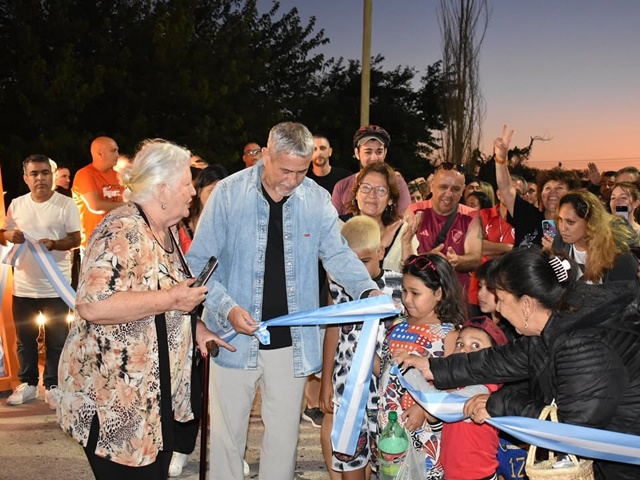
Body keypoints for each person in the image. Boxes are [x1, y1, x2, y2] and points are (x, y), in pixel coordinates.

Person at [186, 122, 382, 480]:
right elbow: (198, 267)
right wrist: (226, 308)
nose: (293, 180)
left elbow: (337, 255)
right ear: (265, 155)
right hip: (232, 341)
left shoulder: (315, 198)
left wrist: (367, 291)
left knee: (283, 439)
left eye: (302, 170)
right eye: (285, 170)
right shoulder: (228, 193)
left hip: (291, 343)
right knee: (227, 441)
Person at [57, 139, 234, 480]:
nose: (192, 193)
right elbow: (92, 306)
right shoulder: (122, 228)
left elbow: (165, 296)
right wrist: (171, 299)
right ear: (163, 189)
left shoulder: (166, 229)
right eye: (186, 184)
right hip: (114, 401)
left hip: (151, 401)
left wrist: (196, 329)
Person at [396, 247, 640, 480]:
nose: (498, 308)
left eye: (500, 299)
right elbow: (502, 359)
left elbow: (569, 429)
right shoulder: (556, 320)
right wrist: (434, 367)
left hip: (624, 458)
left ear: (526, 304)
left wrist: (498, 403)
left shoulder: (582, 343)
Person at [321, 215, 403, 480]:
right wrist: (325, 382)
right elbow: (332, 332)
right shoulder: (338, 287)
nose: (356, 270)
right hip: (347, 390)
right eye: (350, 263)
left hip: (385, 392)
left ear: (381, 251)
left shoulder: (399, 286)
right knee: (350, 456)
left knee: (388, 463)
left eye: (364, 262)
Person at [1, 154, 81, 408]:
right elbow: (4, 234)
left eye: (45, 173)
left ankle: (54, 386)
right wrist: (7, 234)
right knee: (25, 340)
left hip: (56, 285)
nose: (40, 178)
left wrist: (54, 244)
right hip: (24, 286)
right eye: (34, 174)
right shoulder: (17, 204)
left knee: (57, 339)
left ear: (52, 175)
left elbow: (75, 239)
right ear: (26, 178)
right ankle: (28, 384)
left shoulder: (65, 204)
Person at [378, 253, 466, 479]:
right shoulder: (397, 325)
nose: (407, 299)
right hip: (389, 422)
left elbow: (453, 384)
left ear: (439, 293)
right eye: (404, 291)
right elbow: (386, 372)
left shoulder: (449, 333)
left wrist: (424, 409)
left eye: (415, 293)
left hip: (424, 427)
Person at [439, 316, 508, 480]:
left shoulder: (485, 388)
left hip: (476, 475)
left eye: (475, 345)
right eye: (460, 344)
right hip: (452, 473)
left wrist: (411, 370)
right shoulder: (459, 386)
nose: (463, 349)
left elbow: (439, 403)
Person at [494, 125, 580, 248]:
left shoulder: (576, 226)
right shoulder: (527, 214)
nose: (553, 192)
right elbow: (506, 188)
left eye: (559, 188)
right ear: (541, 195)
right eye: (548, 188)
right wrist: (501, 158)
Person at [407, 163, 483, 293]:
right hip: (420, 296)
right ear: (432, 186)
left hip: (455, 297)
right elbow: (402, 256)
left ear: (462, 191)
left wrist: (456, 261)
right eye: (443, 187)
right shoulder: (414, 211)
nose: (448, 194)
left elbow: (475, 258)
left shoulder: (471, 216)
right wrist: (431, 259)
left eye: (455, 189)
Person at [545, 190, 638, 284]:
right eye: (560, 220)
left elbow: (627, 295)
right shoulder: (559, 243)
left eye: (570, 222)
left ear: (590, 223)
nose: (562, 228)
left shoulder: (619, 257)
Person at [343, 162, 419, 272]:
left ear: (390, 200)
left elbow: (413, 278)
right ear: (356, 193)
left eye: (380, 190)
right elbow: (343, 273)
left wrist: (406, 244)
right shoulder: (339, 227)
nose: (372, 194)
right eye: (366, 187)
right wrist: (381, 244)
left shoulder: (402, 232)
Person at [332, 125, 411, 215]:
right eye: (368, 152)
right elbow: (334, 223)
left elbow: (405, 222)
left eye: (379, 152)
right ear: (357, 153)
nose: (374, 158)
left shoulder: (398, 184)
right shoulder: (342, 186)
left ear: (385, 153)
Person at [72, 136, 125, 250]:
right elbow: (95, 206)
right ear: (100, 153)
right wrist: (129, 205)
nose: (117, 155)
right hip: (94, 244)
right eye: (113, 151)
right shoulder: (84, 174)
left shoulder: (118, 175)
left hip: (118, 243)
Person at [177, 164, 229, 252]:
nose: (216, 197)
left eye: (222, 192)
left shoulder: (227, 225)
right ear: (199, 191)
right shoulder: (180, 223)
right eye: (211, 191)